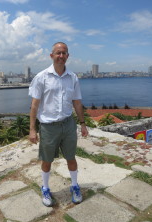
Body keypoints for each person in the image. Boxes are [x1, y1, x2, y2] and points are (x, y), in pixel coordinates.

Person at [28, 42, 88, 207]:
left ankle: (75, 186)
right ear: (52, 55)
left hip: (68, 124)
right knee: (47, 160)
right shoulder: (42, 77)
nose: (61, 56)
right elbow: (34, 105)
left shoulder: (73, 77)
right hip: (48, 127)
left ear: (68, 56)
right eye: (58, 53)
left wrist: (83, 124)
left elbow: (77, 102)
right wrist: (32, 129)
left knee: (71, 157)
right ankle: (45, 188)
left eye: (64, 53)